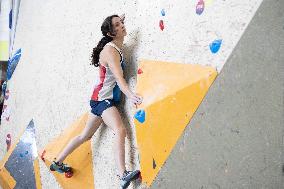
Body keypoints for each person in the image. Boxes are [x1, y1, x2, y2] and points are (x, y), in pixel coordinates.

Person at [50, 14, 143, 189]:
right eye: (117, 25)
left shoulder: (113, 45)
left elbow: (114, 30)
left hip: (98, 99)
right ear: (110, 33)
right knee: (120, 129)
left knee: (85, 135)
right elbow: (119, 77)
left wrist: (116, 21)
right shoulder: (110, 51)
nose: (122, 26)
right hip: (102, 100)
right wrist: (130, 95)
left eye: (122, 22)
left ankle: (58, 162)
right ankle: (122, 174)